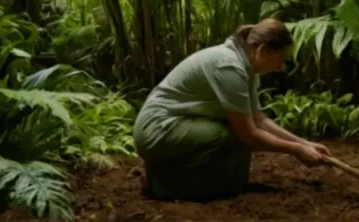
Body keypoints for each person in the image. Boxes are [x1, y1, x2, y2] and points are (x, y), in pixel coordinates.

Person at [133, 18, 333, 201]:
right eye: (280, 58)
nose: (280, 67)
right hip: (157, 128)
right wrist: (296, 150)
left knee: (234, 162)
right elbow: (249, 134)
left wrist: (305, 143)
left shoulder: (247, 67)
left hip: (179, 124)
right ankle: (162, 184)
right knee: (227, 136)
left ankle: (195, 180)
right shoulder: (229, 67)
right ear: (262, 50)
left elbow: (259, 119)